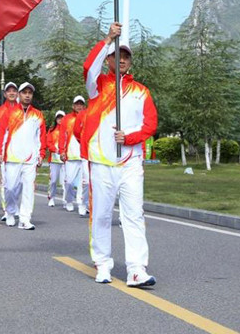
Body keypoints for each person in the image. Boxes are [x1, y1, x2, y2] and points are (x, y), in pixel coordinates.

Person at [83, 22, 158, 286]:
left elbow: (150, 124)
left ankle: (136, 269)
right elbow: (88, 67)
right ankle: (102, 264)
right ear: (110, 60)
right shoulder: (98, 87)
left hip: (130, 162)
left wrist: (129, 138)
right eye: (117, 55)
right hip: (102, 162)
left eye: (126, 56)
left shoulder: (141, 91)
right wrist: (107, 40)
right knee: (102, 215)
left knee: (134, 215)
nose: (122, 59)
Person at [0, 83, 46, 230]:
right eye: (24, 92)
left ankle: (25, 219)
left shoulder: (37, 115)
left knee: (29, 189)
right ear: (19, 95)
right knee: (10, 188)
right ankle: (10, 212)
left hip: (30, 159)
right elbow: (1, 135)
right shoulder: (9, 113)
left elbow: (41, 137)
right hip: (12, 157)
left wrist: (41, 154)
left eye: (30, 92)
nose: (27, 95)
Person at [0, 82, 19, 220]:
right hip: (3, 151)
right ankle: (7, 210)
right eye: (9, 91)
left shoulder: (23, 110)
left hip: (20, 151)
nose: (12, 93)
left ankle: (14, 206)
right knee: (6, 182)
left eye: (14, 91)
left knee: (19, 183)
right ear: (5, 94)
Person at [60, 95, 88, 214]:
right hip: (71, 155)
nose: (79, 106)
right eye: (77, 104)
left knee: (85, 182)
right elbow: (62, 136)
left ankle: (82, 204)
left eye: (81, 104)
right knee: (69, 182)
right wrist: (62, 150)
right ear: (73, 106)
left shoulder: (88, 116)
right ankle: (69, 200)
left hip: (85, 155)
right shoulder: (67, 119)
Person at [46, 111, 66, 206]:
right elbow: (48, 143)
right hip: (54, 160)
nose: (60, 119)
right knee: (53, 180)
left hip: (65, 159)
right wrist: (56, 150)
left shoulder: (68, 130)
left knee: (65, 181)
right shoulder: (51, 130)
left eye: (62, 117)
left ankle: (65, 200)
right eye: (58, 118)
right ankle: (51, 197)